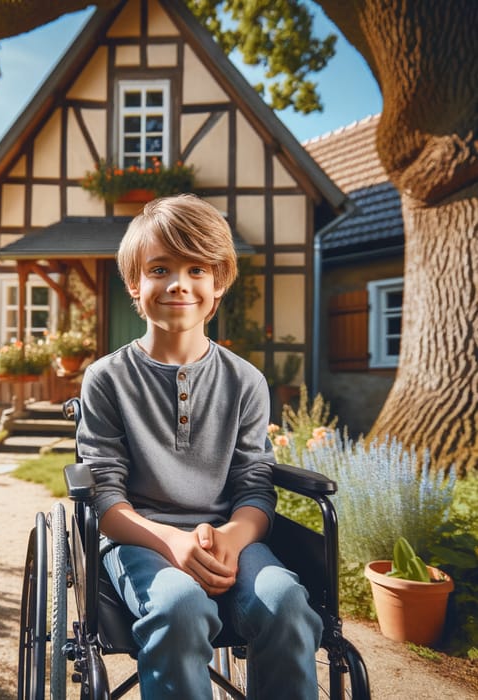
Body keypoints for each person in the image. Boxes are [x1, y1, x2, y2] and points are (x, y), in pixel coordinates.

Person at [76, 194, 322, 699]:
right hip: (138, 539)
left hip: (231, 537)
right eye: (160, 268)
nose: (178, 284)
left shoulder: (246, 381)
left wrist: (231, 538)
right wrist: (172, 542)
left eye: (196, 269)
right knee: (179, 606)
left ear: (219, 283)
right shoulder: (106, 379)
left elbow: (255, 484)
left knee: (286, 602)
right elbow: (104, 499)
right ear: (134, 284)